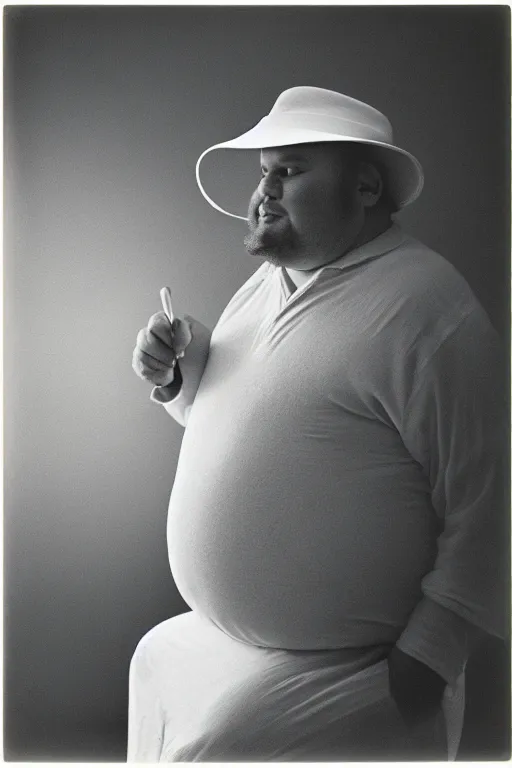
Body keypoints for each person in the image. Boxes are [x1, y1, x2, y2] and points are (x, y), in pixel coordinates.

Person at [129, 87, 506, 761]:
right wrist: (182, 375)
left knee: (215, 749)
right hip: (235, 639)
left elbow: (494, 498)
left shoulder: (429, 310)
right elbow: (239, 425)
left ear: (365, 186)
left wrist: (432, 652)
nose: (265, 190)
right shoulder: (271, 282)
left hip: (357, 661)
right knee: (155, 654)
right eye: (263, 171)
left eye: (290, 170)